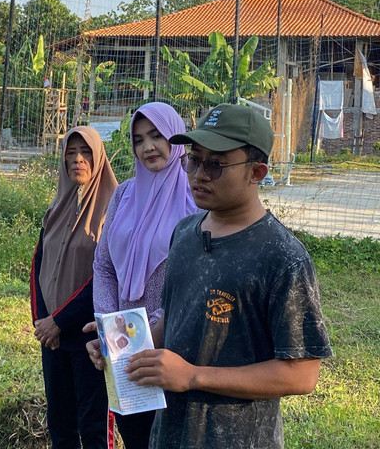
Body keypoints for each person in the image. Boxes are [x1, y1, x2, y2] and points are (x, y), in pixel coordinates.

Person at [102, 103, 332, 448]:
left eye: (215, 164)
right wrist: (123, 347)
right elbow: (174, 321)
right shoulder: (184, 234)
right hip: (168, 433)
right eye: (194, 160)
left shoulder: (281, 257)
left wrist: (193, 376)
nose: (198, 174)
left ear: (256, 172)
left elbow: (302, 374)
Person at [90, 102, 198, 449]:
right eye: (139, 140)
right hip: (125, 346)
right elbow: (103, 266)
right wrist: (111, 326)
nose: (148, 146)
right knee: (135, 432)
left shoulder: (196, 199)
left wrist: (153, 328)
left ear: (176, 138)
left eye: (157, 135)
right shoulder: (123, 194)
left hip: (174, 347)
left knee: (169, 436)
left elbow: (197, 280)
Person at [30, 126, 118, 448]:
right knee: (60, 423)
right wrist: (42, 321)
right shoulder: (56, 209)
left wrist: (59, 321)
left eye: (85, 153)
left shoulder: (114, 210)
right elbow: (39, 264)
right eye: (70, 153)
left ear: (98, 159)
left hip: (89, 337)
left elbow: (105, 277)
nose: (77, 160)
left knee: (92, 425)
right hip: (52, 337)